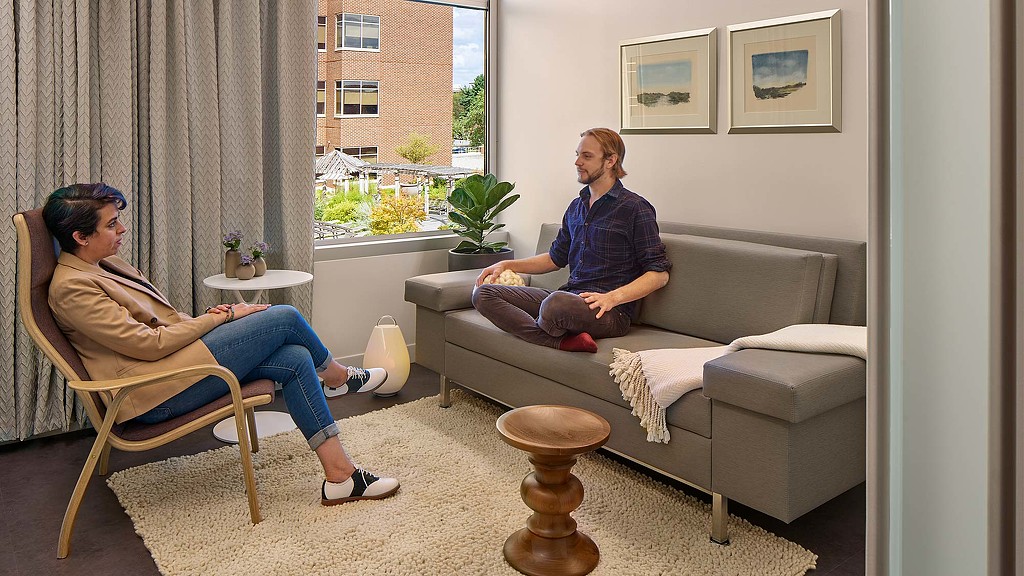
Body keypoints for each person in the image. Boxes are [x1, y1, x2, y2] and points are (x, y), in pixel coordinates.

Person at [42, 183, 398, 506]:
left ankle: (341, 477)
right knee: (286, 316)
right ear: (81, 236)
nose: (122, 229)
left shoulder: (103, 264)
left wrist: (217, 314)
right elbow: (147, 345)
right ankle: (337, 376)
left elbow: (161, 321)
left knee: (295, 357)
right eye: (110, 224)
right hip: (154, 391)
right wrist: (219, 319)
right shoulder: (72, 287)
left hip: (176, 367)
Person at [472, 128, 671, 353]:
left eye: (587, 156)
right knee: (483, 293)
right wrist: (507, 264)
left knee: (555, 304)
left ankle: (548, 330)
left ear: (610, 160)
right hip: (569, 298)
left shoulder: (634, 208)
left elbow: (659, 274)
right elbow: (555, 258)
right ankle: (559, 341)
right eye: (577, 154)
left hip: (608, 312)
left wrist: (612, 298)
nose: (577, 162)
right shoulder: (576, 207)